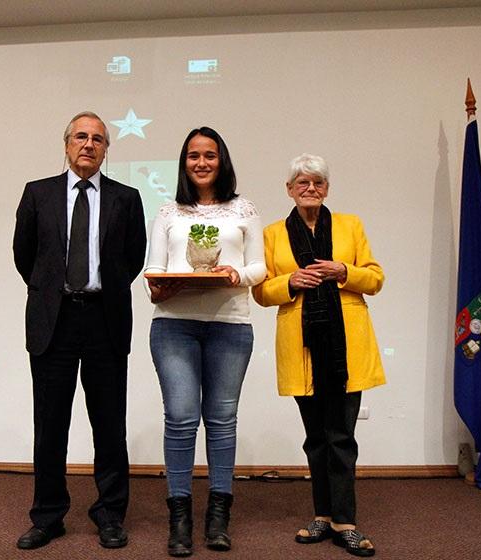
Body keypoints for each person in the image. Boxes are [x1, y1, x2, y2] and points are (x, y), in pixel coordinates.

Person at [12, 111, 146, 551]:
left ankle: (109, 515)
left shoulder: (126, 198)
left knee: (109, 425)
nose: (88, 145)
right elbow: (25, 256)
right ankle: (48, 516)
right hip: (55, 321)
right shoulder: (38, 194)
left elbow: (133, 258)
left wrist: (98, 289)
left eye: (98, 139)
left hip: (105, 320)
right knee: (50, 425)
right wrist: (55, 290)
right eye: (80, 137)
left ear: (107, 149)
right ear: (66, 144)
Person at [252, 153, 384, 557]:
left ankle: (345, 522)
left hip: (346, 346)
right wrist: (290, 280)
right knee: (315, 439)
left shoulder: (350, 225)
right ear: (289, 190)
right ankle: (322, 516)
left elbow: (375, 278)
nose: (310, 189)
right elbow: (260, 292)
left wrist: (343, 271)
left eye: (318, 183)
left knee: (341, 436)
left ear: (327, 188)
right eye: (302, 183)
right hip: (302, 346)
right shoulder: (273, 233)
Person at [145, 127, 265, 557]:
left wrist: (238, 275)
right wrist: (160, 289)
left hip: (230, 324)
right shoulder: (168, 212)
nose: (201, 162)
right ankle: (179, 518)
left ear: (222, 160)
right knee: (179, 418)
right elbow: (153, 271)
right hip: (174, 324)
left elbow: (259, 267)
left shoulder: (244, 208)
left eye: (209, 155)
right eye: (193, 155)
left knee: (221, 420)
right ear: (184, 162)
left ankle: (218, 518)